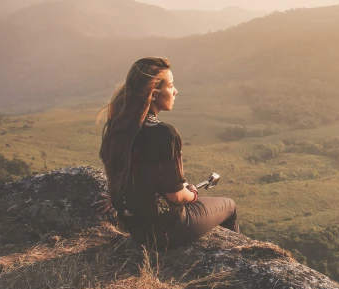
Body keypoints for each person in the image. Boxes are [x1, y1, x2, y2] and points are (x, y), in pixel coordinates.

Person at [97, 57, 239, 251]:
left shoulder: (120, 125)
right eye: (171, 86)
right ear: (154, 93)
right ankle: (235, 261)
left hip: (136, 230)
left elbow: (124, 170)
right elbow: (176, 197)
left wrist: (116, 196)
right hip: (166, 231)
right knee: (229, 206)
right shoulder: (164, 133)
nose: (175, 91)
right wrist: (192, 194)